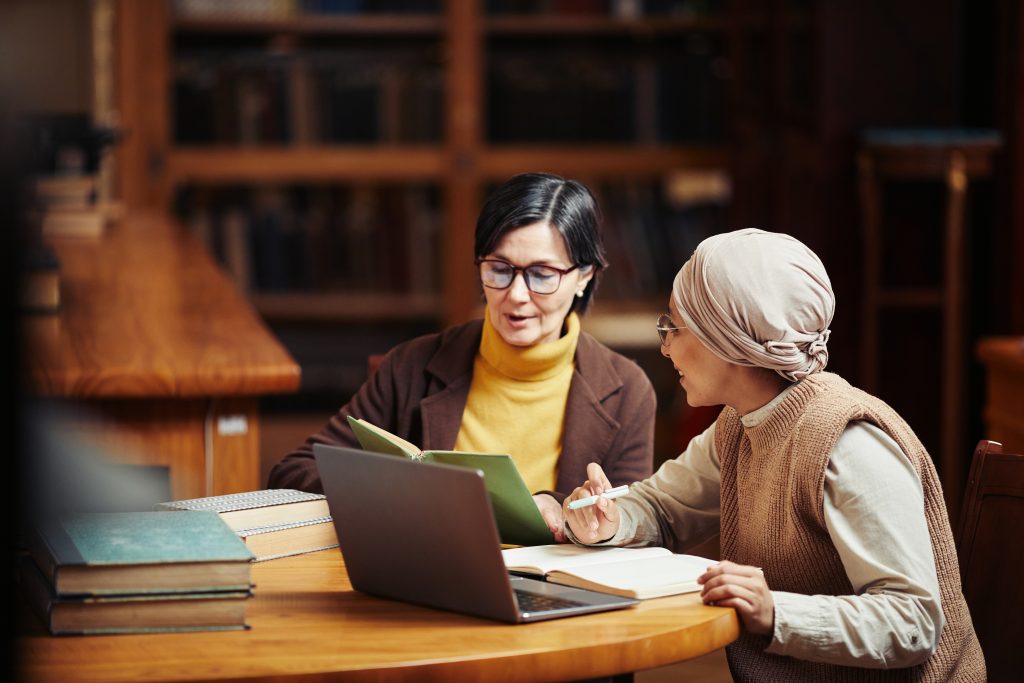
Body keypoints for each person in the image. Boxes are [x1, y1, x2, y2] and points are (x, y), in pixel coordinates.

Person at [562, 228, 985, 681]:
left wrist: (775, 612)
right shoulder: (739, 425)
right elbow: (663, 508)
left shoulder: (848, 443)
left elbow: (913, 622)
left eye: (673, 327)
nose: (664, 345)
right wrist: (609, 522)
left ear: (729, 340)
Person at [268, 172, 655, 539]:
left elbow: (634, 527)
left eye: (542, 274)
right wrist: (403, 489)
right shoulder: (412, 366)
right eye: (499, 269)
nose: (516, 294)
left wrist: (558, 509)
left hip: (567, 593)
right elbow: (293, 472)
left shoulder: (628, 392)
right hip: (431, 577)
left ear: (584, 276)